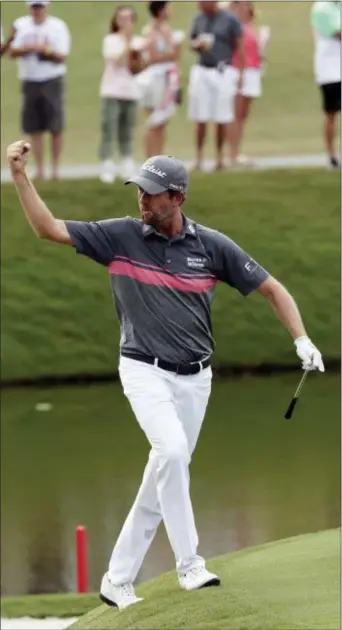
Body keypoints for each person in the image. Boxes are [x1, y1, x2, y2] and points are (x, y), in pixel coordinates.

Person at [7, 139, 325, 611]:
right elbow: (48, 229)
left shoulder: (212, 247)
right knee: (172, 453)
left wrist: (301, 339)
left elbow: (272, 288)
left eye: (152, 193)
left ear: (178, 198)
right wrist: (18, 175)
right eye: (139, 190)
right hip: (143, 370)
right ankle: (190, 563)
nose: (142, 199)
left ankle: (117, 580)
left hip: (196, 379)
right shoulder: (120, 237)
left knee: (163, 474)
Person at [8, 0, 71, 180]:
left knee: (55, 125)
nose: (37, 10)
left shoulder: (58, 26)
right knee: (34, 127)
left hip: (52, 79)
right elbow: (11, 51)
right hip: (30, 79)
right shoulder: (20, 25)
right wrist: (29, 48)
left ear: (46, 7)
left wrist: (45, 50)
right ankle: (40, 169)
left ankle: (55, 169)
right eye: (34, 7)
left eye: (40, 7)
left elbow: (62, 56)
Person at [188, 1, 245, 171]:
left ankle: (219, 158)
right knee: (201, 117)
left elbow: (239, 46)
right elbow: (192, 40)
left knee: (222, 117)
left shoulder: (230, 19)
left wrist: (241, 73)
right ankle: (198, 157)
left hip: (223, 69)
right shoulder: (198, 19)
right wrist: (196, 45)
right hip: (203, 68)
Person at [99, 5, 144, 184]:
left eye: (128, 18)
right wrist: (126, 42)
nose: (125, 22)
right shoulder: (111, 40)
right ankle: (108, 164)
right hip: (112, 90)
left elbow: (137, 66)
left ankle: (127, 163)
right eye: (122, 18)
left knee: (127, 129)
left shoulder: (139, 42)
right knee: (109, 128)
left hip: (131, 91)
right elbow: (116, 60)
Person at [138, 1, 184, 157]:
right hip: (155, 78)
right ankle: (150, 158)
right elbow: (151, 57)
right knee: (155, 120)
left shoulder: (166, 29)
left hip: (168, 76)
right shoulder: (150, 31)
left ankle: (159, 157)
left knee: (163, 121)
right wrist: (171, 55)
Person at [229, 1, 269, 167]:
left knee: (243, 115)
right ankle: (233, 153)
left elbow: (258, 53)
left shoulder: (251, 27)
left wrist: (264, 42)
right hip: (239, 70)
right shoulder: (233, 26)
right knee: (236, 114)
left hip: (253, 71)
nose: (244, 8)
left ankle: (236, 151)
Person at [311, 1, 341, 169]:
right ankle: (331, 155)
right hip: (330, 70)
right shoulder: (321, 7)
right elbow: (337, 32)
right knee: (331, 113)